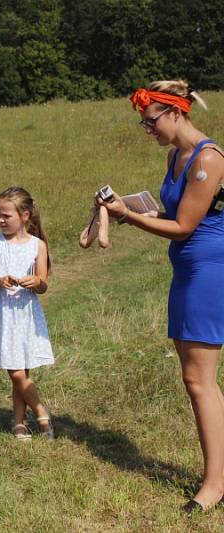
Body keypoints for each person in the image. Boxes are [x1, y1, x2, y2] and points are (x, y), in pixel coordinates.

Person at [102, 80, 224, 513]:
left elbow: (185, 226)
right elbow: (171, 213)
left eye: (150, 121)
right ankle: (218, 474)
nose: (147, 129)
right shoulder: (177, 156)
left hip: (209, 274)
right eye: (143, 123)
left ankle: (213, 485)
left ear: (175, 112)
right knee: (198, 380)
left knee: (199, 381)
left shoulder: (207, 158)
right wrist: (132, 208)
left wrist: (129, 217)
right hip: (186, 272)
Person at [0, 187, 55, 440]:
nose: (1, 220)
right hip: (1, 313)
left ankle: (19, 422)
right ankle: (41, 413)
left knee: (21, 370)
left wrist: (35, 282)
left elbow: (43, 283)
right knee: (16, 370)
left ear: (25, 215)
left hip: (25, 314)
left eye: (6, 216)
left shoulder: (37, 245)